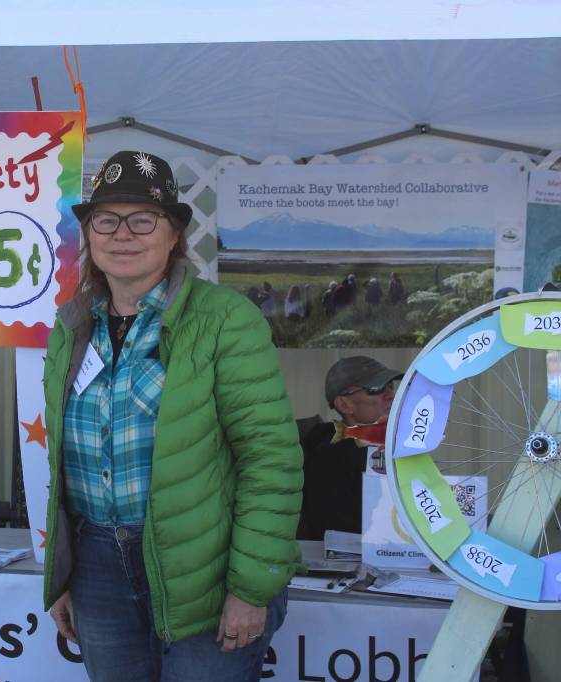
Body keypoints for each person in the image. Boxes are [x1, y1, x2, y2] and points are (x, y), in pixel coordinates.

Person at [42, 151, 303, 682]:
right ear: (89, 235)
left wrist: (251, 588)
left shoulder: (225, 321)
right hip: (98, 567)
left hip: (200, 564)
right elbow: (60, 470)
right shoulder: (72, 325)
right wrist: (64, 575)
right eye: (106, 220)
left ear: (173, 234)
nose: (123, 234)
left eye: (143, 219)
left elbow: (270, 460)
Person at [298, 356, 402, 541]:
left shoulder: (384, 447)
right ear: (344, 405)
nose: (390, 395)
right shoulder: (332, 460)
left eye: (390, 386)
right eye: (375, 389)